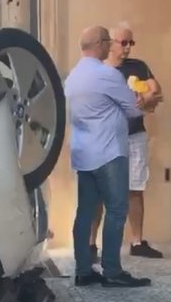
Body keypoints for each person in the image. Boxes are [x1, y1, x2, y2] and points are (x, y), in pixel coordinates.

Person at [65, 26, 151, 288]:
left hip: (83, 152)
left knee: (85, 212)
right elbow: (134, 110)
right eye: (110, 42)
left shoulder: (72, 77)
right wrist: (143, 99)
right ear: (101, 44)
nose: (113, 46)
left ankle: (83, 270)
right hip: (109, 151)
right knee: (116, 210)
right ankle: (112, 271)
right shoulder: (107, 74)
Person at [88, 24, 164, 261]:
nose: (128, 47)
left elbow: (156, 91)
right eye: (124, 42)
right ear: (111, 43)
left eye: (131, 43)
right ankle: (91, 245)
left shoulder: (138, 66)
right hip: (105, 138)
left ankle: (137, 241)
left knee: (135, 188)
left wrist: (144, 99)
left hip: (134, 135)